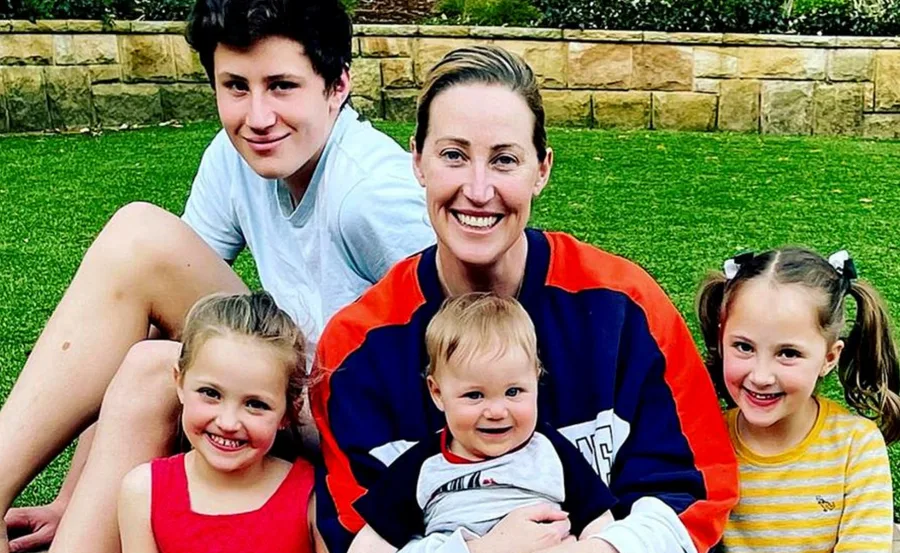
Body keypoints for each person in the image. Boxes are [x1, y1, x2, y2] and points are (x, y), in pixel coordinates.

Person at [0, 0, 433, 549]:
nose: (258, 117)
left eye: (281, 86)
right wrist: (77, 498)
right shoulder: (236, 156)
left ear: (337, 85)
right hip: (274, 394)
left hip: (359, 428)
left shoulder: (371, 192)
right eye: (235, 87)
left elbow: (466, 339)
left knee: (142, 244)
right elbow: (145, 315)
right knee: (150, 356)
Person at [312, 44, 739, 553]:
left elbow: (694, 491)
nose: (478, 189)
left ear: (542, 169)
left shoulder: (624, 307)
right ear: (418, 161)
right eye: (453, 155)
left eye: (504, 160)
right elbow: (354, 537)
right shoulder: (357, 351)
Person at [348, 293, 617, 553]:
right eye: (474, 395)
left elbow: (599, 522)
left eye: (513, 391)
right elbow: (370, 543)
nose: (497, 411)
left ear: (536, 380)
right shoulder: (422, 465)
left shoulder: (550, 450)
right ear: (437, 393)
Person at [696, 248, 898, 553]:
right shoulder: (702, 441)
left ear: (829, 357)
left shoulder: (855, 446)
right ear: (722, 340)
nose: (761, 376)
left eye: (788, 353)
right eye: (744, 347)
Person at [118, 291, 323, 553]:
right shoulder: (143, 492)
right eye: (211, 393)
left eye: (256, 404)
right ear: (180, 383)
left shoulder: (313, 497)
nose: (228, 422)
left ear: (289, 411)